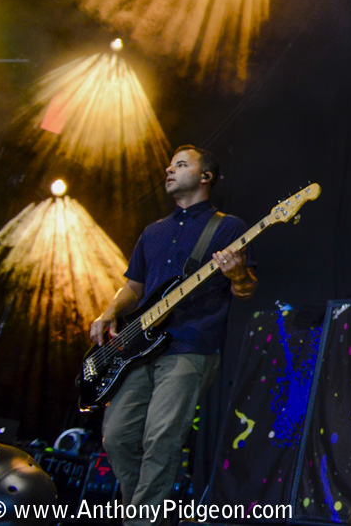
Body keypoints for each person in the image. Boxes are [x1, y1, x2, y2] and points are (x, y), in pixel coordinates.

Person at [89, 145, 257, 524]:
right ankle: (152, 517)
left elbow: (245, 288)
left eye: (181, 165)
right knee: (116, 438)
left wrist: (235, 273)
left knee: (161, 438)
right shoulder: (153, 232)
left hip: (191, 345)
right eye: (169, 165)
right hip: (139, 347)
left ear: (205, 177)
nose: (169, 170)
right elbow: (133, 287)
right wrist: (108, 312)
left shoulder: (227, 227)